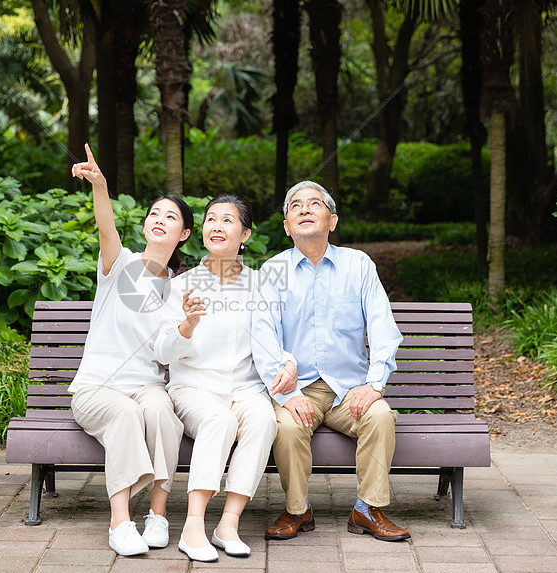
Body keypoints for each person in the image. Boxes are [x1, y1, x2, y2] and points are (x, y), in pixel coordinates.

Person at [251, 181, 411, 542]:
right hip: (296, 388)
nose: (304, 209)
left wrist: (374, 385)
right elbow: (263, 338)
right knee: (288, 428)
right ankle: (297, 509)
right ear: (287, 226)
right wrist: (287, 396)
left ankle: (367, 510)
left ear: (332, 220)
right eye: (295, 206)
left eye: (314, 204)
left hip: (349, 387)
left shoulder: (358, 265)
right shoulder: (272, 271)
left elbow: (384, 328)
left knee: (381, 415)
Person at [68, 144, 192, 556]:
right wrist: (99, 187)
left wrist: (188, 325)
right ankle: (119, 521)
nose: (159, 220)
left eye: (170, 216)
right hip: (98, 389)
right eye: (154, 213)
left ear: (184, 234)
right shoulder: (120, 263)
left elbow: (167, 350)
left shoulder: (179, 290)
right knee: (124, 413)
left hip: (146, 386)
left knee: (159, 411)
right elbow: (106, 228)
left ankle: (157, 515)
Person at [154, 195, 277, 562]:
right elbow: (162, 352)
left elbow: (271, 342)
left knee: (264, 419)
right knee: (219, 419)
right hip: (193, 388)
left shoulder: (261, 285)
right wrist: (186, 325)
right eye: (210, 219)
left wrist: (285, 363)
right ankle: (193, 526)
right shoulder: (181, 285)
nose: (216, 226)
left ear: (245, 235)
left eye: (227, 220)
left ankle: (228, 523)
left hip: (244, 388)